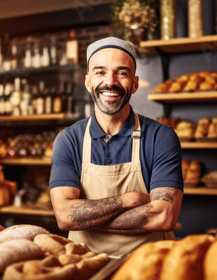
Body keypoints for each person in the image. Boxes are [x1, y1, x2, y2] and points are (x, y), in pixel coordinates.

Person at [49, 37, 183, 257]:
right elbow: (64, 216)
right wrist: (126, 201)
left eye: (121, 73)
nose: (110, 82)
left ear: (135, 83)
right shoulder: (68, 140)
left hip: (149, 265)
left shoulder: (161, 137)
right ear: (88, 81)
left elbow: (164, 216)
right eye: (100, 72)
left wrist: (86, 220)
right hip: (85, 265)